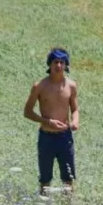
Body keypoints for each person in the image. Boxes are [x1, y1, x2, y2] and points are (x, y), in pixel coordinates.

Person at [23, 48, 78, 196]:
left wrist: (75, 121)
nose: (58, 65)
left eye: (62, 62)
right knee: (45, 179)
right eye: (55, 62)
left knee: (68, 178)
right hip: (46, 137)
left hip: (65, 137)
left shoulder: (71, 85)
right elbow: (27, 112)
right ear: (50, 64)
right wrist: (47, 121)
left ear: (66, 65)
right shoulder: (39, 86)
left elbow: (75, 109)